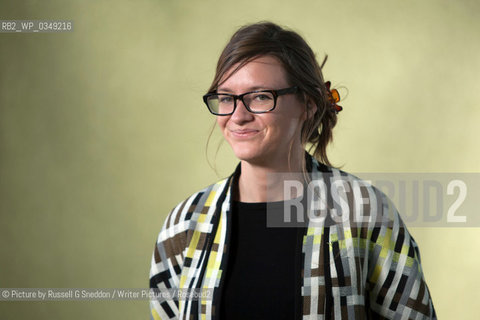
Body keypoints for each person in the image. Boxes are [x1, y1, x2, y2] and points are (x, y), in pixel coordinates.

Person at [149, 21, 436, 319]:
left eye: (259, 96)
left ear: (308, 105)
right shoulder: (184, 226)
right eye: (226, 98)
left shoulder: (365, 213)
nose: (238, 115)